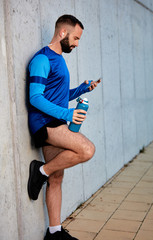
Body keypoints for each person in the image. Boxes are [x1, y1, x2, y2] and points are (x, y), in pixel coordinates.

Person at [27, 14, 100, 240]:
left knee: (57, 179)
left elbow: (57, 96)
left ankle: (54, 233)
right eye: (76, 38)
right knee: (87, 150)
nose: (77, 44)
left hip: (55, 120)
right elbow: (35, 98)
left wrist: (81, 90)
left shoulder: (59, 59)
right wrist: (68, 113)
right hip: (44, 123)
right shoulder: (42, 59)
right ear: (63, 33)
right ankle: (40, 171)